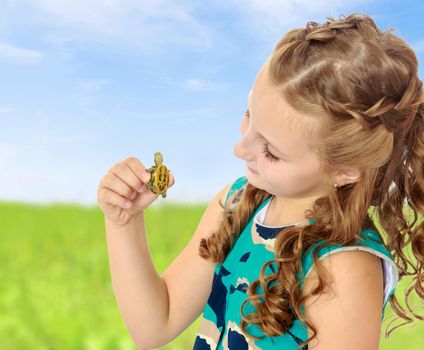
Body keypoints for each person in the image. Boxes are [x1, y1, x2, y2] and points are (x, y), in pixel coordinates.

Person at [97, 12, 424, 350]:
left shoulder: (342, 267)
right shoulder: (237, 203)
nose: (240, 149)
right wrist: (124, 222)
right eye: (249, 114)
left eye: (271, 151)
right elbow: (155, 326)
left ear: (344, 168)